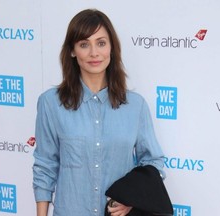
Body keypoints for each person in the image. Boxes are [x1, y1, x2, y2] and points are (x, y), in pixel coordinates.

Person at [32, 8, 165, 216]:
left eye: (101, 43)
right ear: (73, 50)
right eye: (84, 44)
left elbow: (153, 161)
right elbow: (45, 165)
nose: (94, 52)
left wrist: (132, 199)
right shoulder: (50, 103)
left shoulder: (135, 106)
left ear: (111, 48)